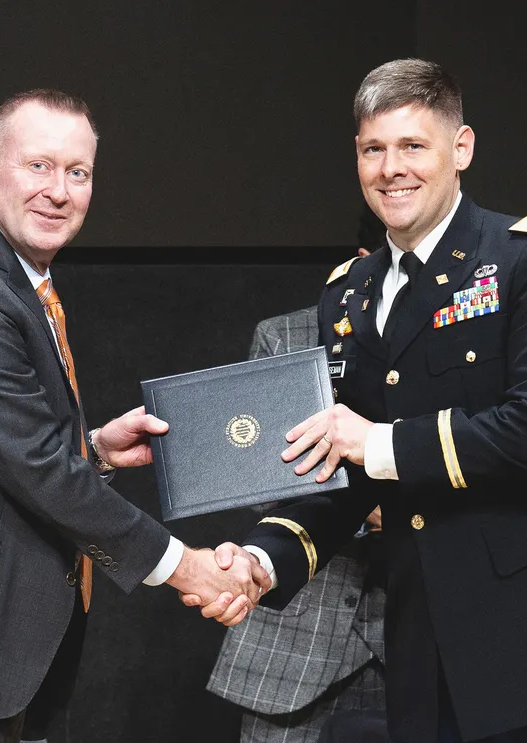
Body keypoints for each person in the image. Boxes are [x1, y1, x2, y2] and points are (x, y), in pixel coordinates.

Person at [189, 59, 527, 742]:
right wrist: (264, 562)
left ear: (460, 149)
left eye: (414, 146)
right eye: (375, 149)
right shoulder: (346, 295)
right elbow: (341, 477)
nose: (392, 168)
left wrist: (373, 442)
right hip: (430, 666)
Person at [0, 88, 269, 743]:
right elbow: (34, 466)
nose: (59, 191)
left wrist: (91, 450)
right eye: (38, 165)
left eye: (78, 172)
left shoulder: (20, 285)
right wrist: (187, 565)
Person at [207, 251, 388, 743]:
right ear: (361, 261)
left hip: (429, 638)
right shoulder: (286, 336)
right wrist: (366, 510)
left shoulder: (464, 333)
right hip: (297, 643)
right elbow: (262, 483)